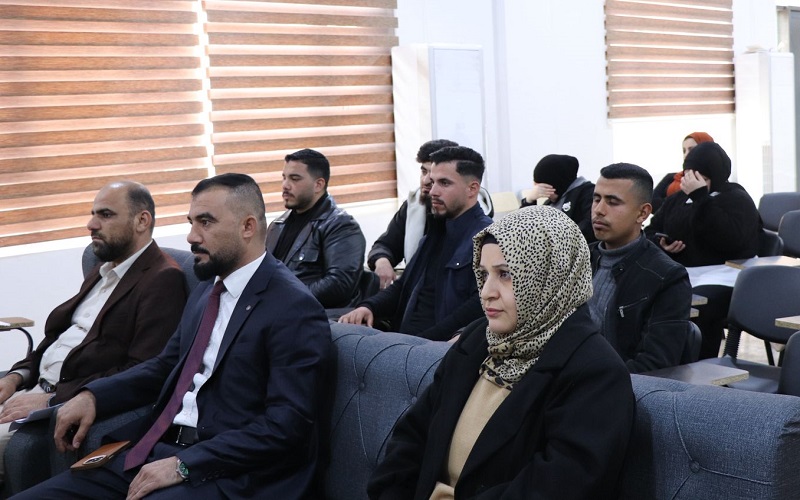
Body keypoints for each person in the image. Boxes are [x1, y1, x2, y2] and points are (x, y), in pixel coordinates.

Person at [14, 174, 331, 499]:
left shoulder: (293, 308)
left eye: (205, 222)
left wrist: (185, 464)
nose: (191, 236)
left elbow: (285, 426)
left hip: (232, 474)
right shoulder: (208, 290)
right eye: (191, 222)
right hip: (158, 450)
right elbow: (165, 366)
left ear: (247, 227)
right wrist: (92, 396)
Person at [367, 207, 634, 499]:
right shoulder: (478, 339)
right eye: (484, 274)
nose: (486, 291)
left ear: (549, 276)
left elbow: (556, 488)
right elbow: (411, 439)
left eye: (505, 274)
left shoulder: (594, 372)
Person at [0, 181, 186, 487]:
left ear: (142, 221)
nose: (92, 224)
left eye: (106, 215)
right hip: (29, 390)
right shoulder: (102, 269)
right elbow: (59, 339)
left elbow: (142, 370)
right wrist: (16, 376)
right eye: (93, 214)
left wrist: (52, 399)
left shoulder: (163, 280)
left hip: (59, 401)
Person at [339, 146, 492, 341]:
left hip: (435, 347)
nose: (433, 191)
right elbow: (403, 286)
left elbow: (475, 309)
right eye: (432, 182)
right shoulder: (435, 232)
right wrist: (368, 307)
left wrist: (419, 343)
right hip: (403, 339)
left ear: (472, 189)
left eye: (444, 183)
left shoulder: (486, 238)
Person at [646, 142, 761, 358]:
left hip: (726, 276)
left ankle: (701, 365)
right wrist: (662, 244)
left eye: (702, 178)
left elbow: (731, 240)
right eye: (690, 176)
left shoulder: (736, 198)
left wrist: (701, 198)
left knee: (698, 307)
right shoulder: (678, 199)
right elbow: (651, 231)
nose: (693, 182)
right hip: (684, 273)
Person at [590, 163, 692, 372]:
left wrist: (592, 381)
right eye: (597, 199)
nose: (599, 210)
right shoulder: (578, 258)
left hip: (617, 384)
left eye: (613, 202)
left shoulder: (667, 277)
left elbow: (655, 364)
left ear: (642, 213)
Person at [367, 139, 495, 290]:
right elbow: (386, 245)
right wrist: (382, 261)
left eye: (443, 181)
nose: (427, 180)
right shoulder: (413, 206)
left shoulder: (473, 221)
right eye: (424, 172)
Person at [266, 148, 366, 308]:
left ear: (318, 185)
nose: (285, 185)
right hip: (278, 310)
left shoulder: (341, 225)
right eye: (284, 178)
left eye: (294, 179)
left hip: (314, 314)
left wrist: (286, 299)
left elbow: (339, 285)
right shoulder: (278, 224)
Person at [520, 153, 595, 243]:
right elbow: (524, 229)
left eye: (545, 188)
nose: (545, 194)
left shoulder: (588, 195)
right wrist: (529, 201)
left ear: (557, 185)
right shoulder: (551, 202)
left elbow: (588, 228)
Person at [651, 132, 715, 212]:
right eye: (684, 151)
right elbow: (652, 201)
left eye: (691, 149)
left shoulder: (715, 180)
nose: (686, 154)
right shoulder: (672, 177)